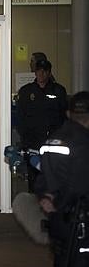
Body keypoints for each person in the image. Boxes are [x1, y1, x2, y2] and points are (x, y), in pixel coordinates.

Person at [36, 91, 89, 267]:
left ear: (68, 113)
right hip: (80, 223)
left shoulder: (52, 139)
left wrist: (47, 198)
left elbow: (43, 178)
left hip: (57, 220)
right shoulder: (84, 142)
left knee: (62, 257)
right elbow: (78, 187)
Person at [17, 59, 67, 192]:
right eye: (39, 71)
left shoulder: (58, 90)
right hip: (32, 142)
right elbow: (20, 117)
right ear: (35, 72)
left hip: (53, 142)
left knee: (53, 177)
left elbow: (64, 116)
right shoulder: (26, 91)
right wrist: (25, 137)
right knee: (33, 178)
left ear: (49, 73)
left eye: (45, 71)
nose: (41, 74)